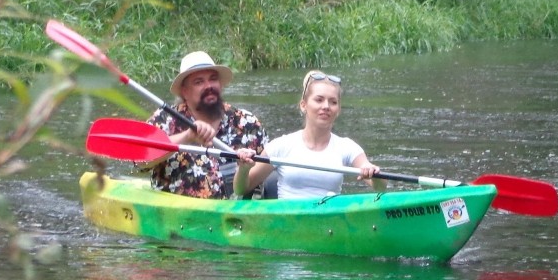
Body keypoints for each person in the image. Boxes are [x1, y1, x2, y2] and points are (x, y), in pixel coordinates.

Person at [233, 71, 386, 199]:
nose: (326, 106)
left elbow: (380, 188)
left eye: (333, 102)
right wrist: (244, 169)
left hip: (328, 226)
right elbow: (241, 190)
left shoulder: (347, 147)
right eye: (319, 100)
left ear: (338, 110)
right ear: (303, 105)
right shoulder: (281, 146)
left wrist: (373, 174)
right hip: (287, 225)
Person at [144, 51, 268, 199]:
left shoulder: (247, 122)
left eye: (213, 79)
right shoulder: (165, 119)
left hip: (240, 216)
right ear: (185, 91)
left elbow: (271, 169)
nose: (208, 86)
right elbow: (139, 160)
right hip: (180, 216)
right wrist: (187, 137)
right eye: (198, 82)